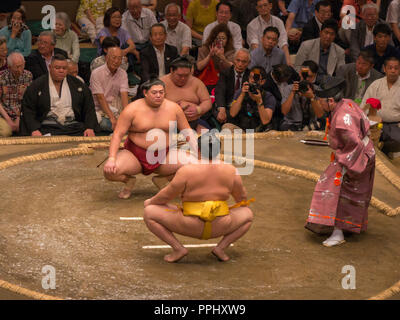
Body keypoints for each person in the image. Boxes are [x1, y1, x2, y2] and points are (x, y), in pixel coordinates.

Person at [143, 131, 254, 262]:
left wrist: (150, 202)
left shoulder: (187, 170)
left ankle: (178, 248)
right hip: (220, 225)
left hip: (189, 225)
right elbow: (242, 199)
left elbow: (165, 196)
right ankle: (221, 248)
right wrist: (223, 208)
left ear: (198, 150)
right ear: (219, 150)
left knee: (149, 212)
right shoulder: (231, 170)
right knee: (248, 214)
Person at [305, 76, 376, 246]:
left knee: (333, 188)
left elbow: (355, 144)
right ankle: (346, 227)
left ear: (330, 100)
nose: (319, 103)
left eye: (320, 100)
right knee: (350, 193)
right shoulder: (346, 102)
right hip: (365, 152)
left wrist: (343, 161)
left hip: (356, 157)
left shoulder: (341, 120)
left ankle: (338, 233)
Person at [103, 78, 198, 199]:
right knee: (110, 171)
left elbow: (187, 131)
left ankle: (163, 179)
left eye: (161, 92)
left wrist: (197, 151)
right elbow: (117, 134)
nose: (158, 95)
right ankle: (129, 181)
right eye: (154, 93)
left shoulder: (174, 108)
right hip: (135, 155)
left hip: (165, 155)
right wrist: (111, 158)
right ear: (145, 93)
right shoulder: (132, 109)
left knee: (194, 165)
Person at [20, 54, 98, 137]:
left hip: (73, 126)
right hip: (47, 127)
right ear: (50, 67)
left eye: (64, 68)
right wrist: (34, 129)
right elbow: (28, 109)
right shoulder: (37, 85)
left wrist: (89, 127)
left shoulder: (77, 84)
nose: (61, 71)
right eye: (57, 68)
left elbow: (89, 107)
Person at [160, 56, 212, 133]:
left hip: (195, 122)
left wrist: (198, 109)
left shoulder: (196, 82)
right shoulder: (161, 83)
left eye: (186, 75)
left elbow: (207, 101)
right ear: (172, 71)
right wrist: (176, 109)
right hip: (169, 124)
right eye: (180, 75)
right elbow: (153, 105)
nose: (183, 78)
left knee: (211, 141)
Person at [361, 56, 400, 155]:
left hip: (395, 125)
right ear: (384, 69)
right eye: (390, 68)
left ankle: (384, 149)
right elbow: (364, 106)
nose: (393, 71)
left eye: (396, 68)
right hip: (374, 123)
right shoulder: (376, 84)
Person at [223, 66, 276, 132]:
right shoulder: (240, 92)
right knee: (227, 127)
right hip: (242, 129)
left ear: (262, 81)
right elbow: (232, 114)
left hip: (259, 131)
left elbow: (265, 121)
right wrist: (242, 94)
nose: (253, 80)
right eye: (251, 77)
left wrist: (259, 101)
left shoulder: (268, 97)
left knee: (272, 133)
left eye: (256, 78)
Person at [90, 47, 129, 133]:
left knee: (131, 122)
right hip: (98, 109)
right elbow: (100, 98)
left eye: (119, 58)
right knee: (105, 124)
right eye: (114, 57)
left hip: (115, 107)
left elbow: (124, 95)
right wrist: (112, 118)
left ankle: (122, 128)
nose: (116, 61)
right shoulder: (96, 73)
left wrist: (127, 116)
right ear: (107, 57)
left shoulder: (123, 73)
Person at [279, 60, 325, 131]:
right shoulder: (289, 88)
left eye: (310, 77)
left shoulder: (317, 90)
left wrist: (312, 97)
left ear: (315, 76)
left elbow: (320, 115)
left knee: (321, 124)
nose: (306, 79)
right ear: (300, 73)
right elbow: (284, 111)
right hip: (291, 124)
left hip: (311, 124)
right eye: (305, 75)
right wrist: (292, 93)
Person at [214, 49, 251, 127]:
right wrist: (222, 109)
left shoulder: (250, 76)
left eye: (244, 62)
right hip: (226, 106)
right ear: (234, 60)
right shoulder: (225, 72)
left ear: (248, 63)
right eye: (238, 60)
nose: (240, 64)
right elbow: (220, 91)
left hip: (242, 109)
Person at [247, 0, 290, 65]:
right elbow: (255, 46)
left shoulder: (279, 22)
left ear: (270, 6)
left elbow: (283, 43)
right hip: (257, 57)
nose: (263, 8)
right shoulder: (252, 25)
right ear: (257, 9)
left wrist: (288, 62)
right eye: (260, 6)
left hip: (275, 54)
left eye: (265, 5)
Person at [0, 52, 32, 136]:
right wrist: (9, 120)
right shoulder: (1, 77)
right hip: (3, 114)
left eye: (22, 65)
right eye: (17, 67)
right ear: (9, 67)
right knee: (6, 132)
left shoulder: (28, 76)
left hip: (21, 113)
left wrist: (18, 118)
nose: (20, 69)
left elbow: (27, 100)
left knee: (28, 130)